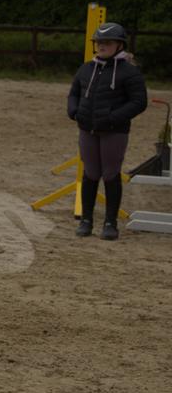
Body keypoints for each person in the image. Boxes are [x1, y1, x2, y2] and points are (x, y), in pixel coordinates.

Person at [67, 22, 148, 240]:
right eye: (99, 43)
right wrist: (73, 111)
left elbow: (139, 102)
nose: (101, 46)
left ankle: (110, 223)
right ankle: (86, 220)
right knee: (90, 173)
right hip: (87, 129)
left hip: (114, 131)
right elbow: (74, 92)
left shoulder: (129, 72)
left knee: (111, 174)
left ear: (119, 45)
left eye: (107, 43)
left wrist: (113, 118)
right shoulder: (86, 68)